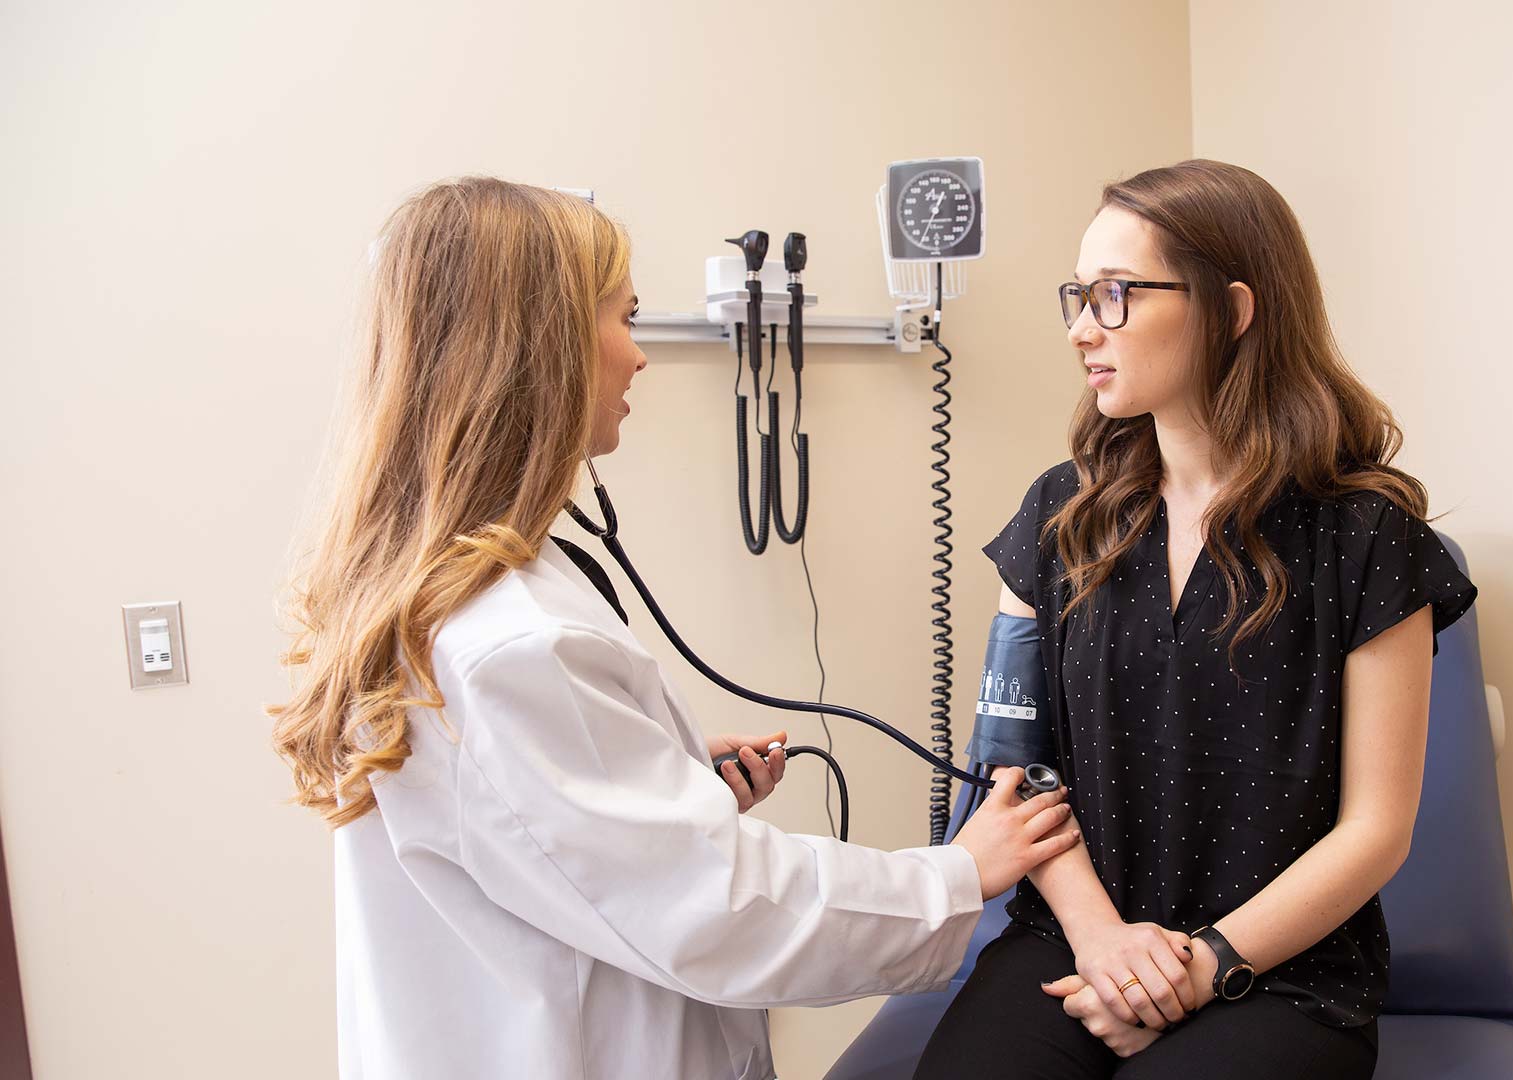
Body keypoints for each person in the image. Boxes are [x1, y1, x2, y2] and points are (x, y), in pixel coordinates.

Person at [267, 177, 1080, 1080]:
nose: (638, 356)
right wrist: (956, 877)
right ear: (542, 350)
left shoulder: (441, 595)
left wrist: (668, 778)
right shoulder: (511, 645)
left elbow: (550, 837)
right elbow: (719, 909)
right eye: (624, 317)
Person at [915, 160, 1478, 1079]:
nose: (1079, 329)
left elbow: (1378, 827)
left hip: (1283, 971)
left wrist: (1199, 968)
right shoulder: (1058, 517)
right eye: (1078, 295)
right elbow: (1017, 766)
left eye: (1114, 295)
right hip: (1074, 936)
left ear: (1233, 308)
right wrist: (1101, 940)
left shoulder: (1366, 536)